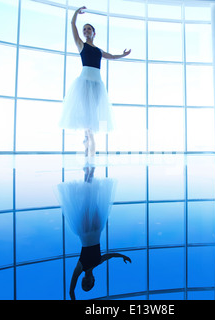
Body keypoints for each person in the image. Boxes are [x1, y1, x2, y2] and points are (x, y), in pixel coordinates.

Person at [59, 6, 131, 158]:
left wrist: (123, 55)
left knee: (93, 114)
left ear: (94, 33)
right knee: (86, 114)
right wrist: (76, 13)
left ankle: (88, 141)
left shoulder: (98, 50)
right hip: (84, 83)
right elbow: (72, 25)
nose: (85, 31)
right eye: (84, 29)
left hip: (97, 84)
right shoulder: (81, 45)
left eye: (88, 29)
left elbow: (111, 56)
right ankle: (88, 140)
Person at [55, 166, 131, 300]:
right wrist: (123, 256)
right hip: (96, 229)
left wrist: (74, 298)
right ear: (93, 280)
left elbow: (71, 291)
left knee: (86, 200)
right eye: (88, 284)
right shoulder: (97, 262)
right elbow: (111, 255)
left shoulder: (80, 267)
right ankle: (89, 172)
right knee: (93, 199)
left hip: (84, 231)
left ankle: (88, 172)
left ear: (83, 280)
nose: (86, 282)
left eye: (84, 284)